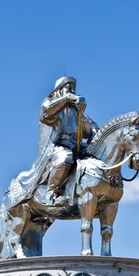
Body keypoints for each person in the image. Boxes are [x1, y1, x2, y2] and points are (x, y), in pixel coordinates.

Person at [40, 76, 99, 204]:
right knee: (65, 157)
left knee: (96, 160)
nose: (72, 91)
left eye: (73, 89)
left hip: (76, 145)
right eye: (69, 88)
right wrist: (67, 98)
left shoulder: (77, 111)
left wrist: (95, 136)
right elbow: (46, 113)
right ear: (60, 90)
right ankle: (51, 192)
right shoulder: (51, 104)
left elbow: (91, 125)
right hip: (58, 145)